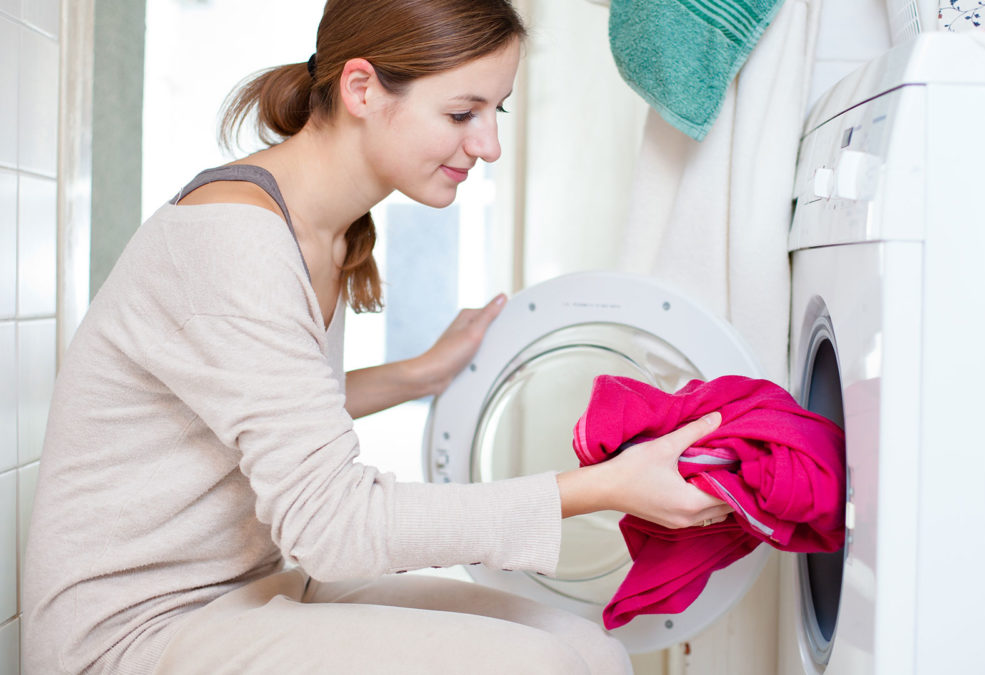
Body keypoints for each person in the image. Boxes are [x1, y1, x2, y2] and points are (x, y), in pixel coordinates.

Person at [21, 1, 733, 672]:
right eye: (462, 112)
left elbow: (277, 410)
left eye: (496, 110)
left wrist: (418, 374)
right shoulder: (234, 240)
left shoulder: (322, 227)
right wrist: (603, 487)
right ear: (361, 88)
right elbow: (332, 526)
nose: (487, 145)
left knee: (590, 649)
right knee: (541, 666)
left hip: (245, 589)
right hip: (130, 632)